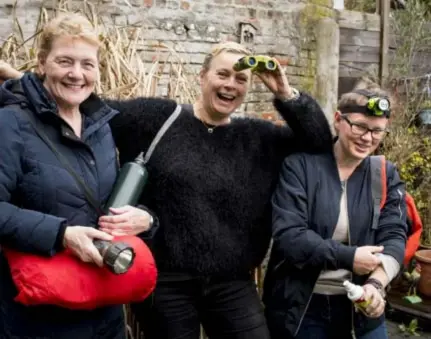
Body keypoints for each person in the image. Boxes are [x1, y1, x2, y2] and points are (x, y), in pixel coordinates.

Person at [1, 41, 334, 338]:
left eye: (240, 79)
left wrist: (285, 93)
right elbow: (86, 105)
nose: (230, 84)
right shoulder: (158, 118)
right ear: (202, 77)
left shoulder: (260, 138)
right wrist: (20, 78)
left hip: (232, 282)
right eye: (222, 74)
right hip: (165, 281)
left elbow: (319, 142)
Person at [0, 13, 154, 339]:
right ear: (41, 64)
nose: (76, 74)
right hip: (35, 315)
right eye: (64, 61)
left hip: (102, 306)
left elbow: (107, 203)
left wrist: (145, 219)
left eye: (88, 64)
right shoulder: (10, 124)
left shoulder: (101, 127)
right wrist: (62, 234)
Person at [263, 85, 407, 339]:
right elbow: (290, 237)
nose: (367, 138)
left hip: (361, 307)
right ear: (339, 120)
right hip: (302, 308)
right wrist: (349, 257)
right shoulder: (300, 167)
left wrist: (376, 284)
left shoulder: (385, 173)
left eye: (377, 131)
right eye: (360, 126)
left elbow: (395, 236)